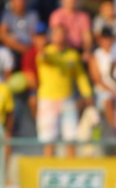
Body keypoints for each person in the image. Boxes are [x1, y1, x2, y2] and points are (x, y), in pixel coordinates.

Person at [37, 23, 91, 157]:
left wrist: (87, 93)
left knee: (71, 138)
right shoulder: (47, 52)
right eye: (57, 34)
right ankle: (48, 171)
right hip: (48, 100)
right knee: (49, 140)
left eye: (63, 34)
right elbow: (44, 59)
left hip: (67, 100)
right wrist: (43, 49)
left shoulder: (73, 55)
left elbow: (80, 76)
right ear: (52, 36)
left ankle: (70, 170)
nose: (60, 37)